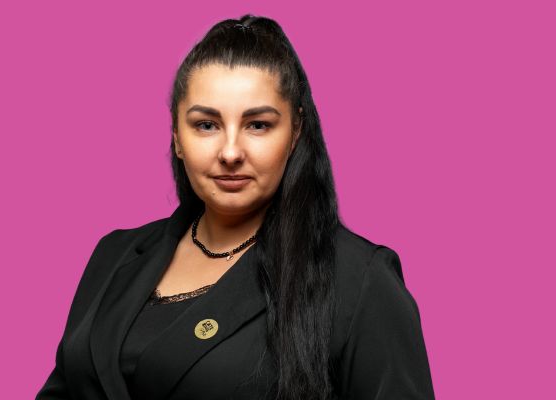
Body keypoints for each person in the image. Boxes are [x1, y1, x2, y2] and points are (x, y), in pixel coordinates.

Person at [36, 14, 435, 400]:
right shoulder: (115, 254)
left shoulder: (360, 280)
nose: (230, 152)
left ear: (295, 132)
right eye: (206, 125)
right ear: (176, 136)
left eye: (258, 125)